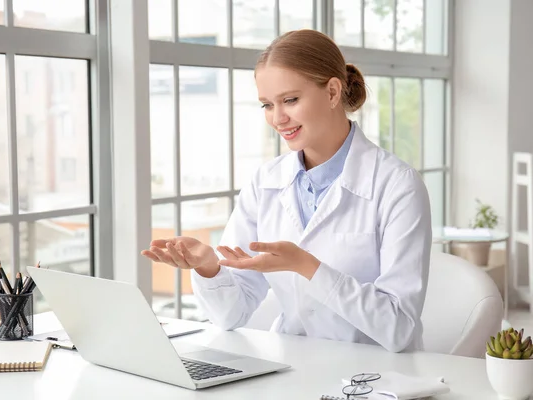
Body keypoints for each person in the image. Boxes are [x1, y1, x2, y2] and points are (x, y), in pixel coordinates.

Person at [141, 29, 432, 353]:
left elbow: (398, 328)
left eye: (290, 100)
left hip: (377, 378)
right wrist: (208, 266)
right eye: (267, 104)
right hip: (295, 369)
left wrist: (305, 265)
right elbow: (231, 315)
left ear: (333, 92)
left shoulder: (397, 185)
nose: (278, 118)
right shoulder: (266, 181)